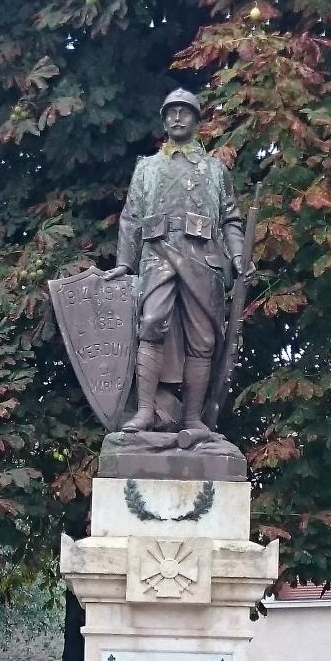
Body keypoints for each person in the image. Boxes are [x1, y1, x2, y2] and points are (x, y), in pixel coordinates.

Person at [106, 89, 249, 437]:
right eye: (171, 112)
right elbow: (131, 218)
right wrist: (126, 263)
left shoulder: (216, 171)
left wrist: (239, 255)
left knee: (203, 340)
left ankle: (192, 420)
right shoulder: (146, 168)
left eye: (185, 112)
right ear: (164, 119)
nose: (177, 118)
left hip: (204, 259)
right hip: (158, 256)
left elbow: (230, 219)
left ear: (197, 120)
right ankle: (144, 412)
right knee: (152, 322)